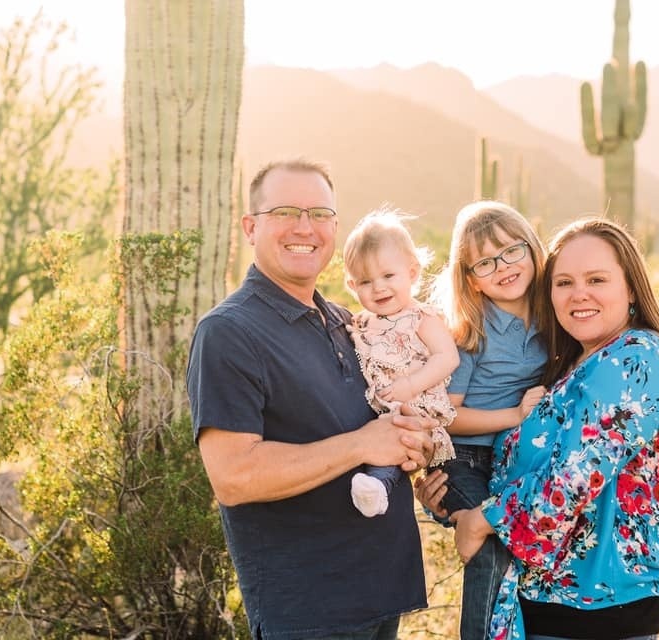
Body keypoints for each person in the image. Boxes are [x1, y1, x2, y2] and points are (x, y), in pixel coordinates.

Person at [186, 159, 436, 640]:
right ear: (250, 227)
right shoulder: (229, 332)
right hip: (311, 612)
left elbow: (380, 429)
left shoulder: (349, 323)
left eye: (320, 214)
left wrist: (410, 444)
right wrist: (362, 445)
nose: (305, 227)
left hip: (383, 593)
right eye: (285, 212)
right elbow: (234, 476)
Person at [425, 216, 659, 640]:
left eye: (597, 280)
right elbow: (516, 466)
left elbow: (574, 477)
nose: (579, 294)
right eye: (564, 283)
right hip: (544, 605)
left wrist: (482, 519)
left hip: (601, 608)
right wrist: (454, 500)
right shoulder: (568, 367)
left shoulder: (637, 357)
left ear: (631, 287)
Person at [419, 201, 550, 640]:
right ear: (471, 278)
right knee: (491, 548)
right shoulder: (471, 331)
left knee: (526, 549)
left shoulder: (552, 317)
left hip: (509, 460)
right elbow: (446, 416)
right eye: (486, 262)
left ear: (531, 248)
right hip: (461, 459)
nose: (504, 267)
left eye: (512, 251)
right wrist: (515, 414)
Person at [342, 208, 459, 517]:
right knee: (379, 438)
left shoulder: (421, 318)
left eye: (388, 276)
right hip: (379, 409)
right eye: (365, 281)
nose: (378, 287)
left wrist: (410, 385)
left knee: (400, 439)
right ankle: (371, 486)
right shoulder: (363, 322)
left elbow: (448, 357)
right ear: (352, 286)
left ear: (412, 272)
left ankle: (378, 488)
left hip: (415, 405)